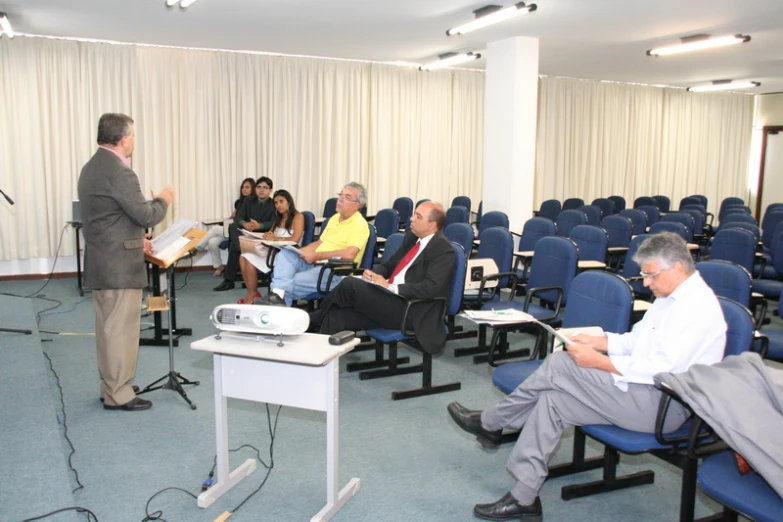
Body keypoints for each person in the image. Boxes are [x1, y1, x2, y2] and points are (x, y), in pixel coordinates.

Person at [447, 232, 727, 521]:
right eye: (644, 275)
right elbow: (636, 341)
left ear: (678, 267)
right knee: (553, 402)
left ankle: (491, 423)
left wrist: (599, 362)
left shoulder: (698, 309)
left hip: (663, 406)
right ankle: (524, 496)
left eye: (651, 275)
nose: (646, 283)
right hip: (637, 391)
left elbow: (660, 370)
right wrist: (600, 341)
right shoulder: (669, 296)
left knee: (560, 365)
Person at [78, 113, 175, 412]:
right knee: (120, 331)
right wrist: (164, 199)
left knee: (108, 329)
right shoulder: (120, 172)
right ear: (123, 139)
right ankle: (119, 393)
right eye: (132, 135)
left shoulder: (92, 167)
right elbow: (146, 215)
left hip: (103, 258)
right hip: (119, 266)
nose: (134, 140)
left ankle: (111, 385)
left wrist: (137, 237)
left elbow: (109, 218)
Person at [316, 201, 455, 354]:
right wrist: (375, 274)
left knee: (350, 283)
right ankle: (320, 362)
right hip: (389, 302)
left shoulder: (443, 250)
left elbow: (430, 288)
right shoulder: (411, 239)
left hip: (410, 309)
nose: (411, 219)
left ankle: (312, 320)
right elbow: (389, 265)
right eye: (414, 214)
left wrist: (390, 287)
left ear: (432, 225)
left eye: (418, 216)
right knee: (337, 316)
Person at [256, 182, 369, 307]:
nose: (340, 200)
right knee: (286, 254)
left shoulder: (360, 224)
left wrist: (316, 256)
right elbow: (319, 243)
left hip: (335, 271)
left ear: (357, 205)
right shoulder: (335, 218)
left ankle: (278, 300)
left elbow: (349, 254)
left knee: (288, 283)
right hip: (317, 263)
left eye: (347, 197)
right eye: (340, 195)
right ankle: (278, 296)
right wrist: (301, 253)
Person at [238, 189, 305, 304]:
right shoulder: (278, 217)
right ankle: (252, 293)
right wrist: (267, 235)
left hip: (288, 255)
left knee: (248, 259)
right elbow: (272, 234)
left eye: (281, 201)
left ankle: (253, 295)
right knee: (243, 256)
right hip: (274, 251)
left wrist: (276, 238)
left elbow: (295, 240)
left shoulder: (298, 216)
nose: (278, 205)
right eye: (276, 203)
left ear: (289, 202)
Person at [213, 177, 275, 291]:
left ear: (270, 190)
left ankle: (229, 280)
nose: (261, 190)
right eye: (259, 187)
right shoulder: (248, 201)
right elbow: (238, 217)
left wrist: (259, 226)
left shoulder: (273, 203)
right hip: (246, 232)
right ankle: (241, 248)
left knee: (233, 246)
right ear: (255, 189)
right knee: (233, 226)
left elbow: (273, 222)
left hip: (262, 234)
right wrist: (245, 224)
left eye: (265, 187)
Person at [195, 177, 255, 276]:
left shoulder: (253, 204)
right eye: (243, 187)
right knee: (212, 242)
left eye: (247, 187)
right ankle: (219, 267)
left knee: (214, 229)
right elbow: (234, 220)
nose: (244, 189)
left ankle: (197, 247)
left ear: (253, 189)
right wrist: (232, 216)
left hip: (242, 232)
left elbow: (248, 220)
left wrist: (238, 217)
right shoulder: (239, 203)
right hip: (232, 230)